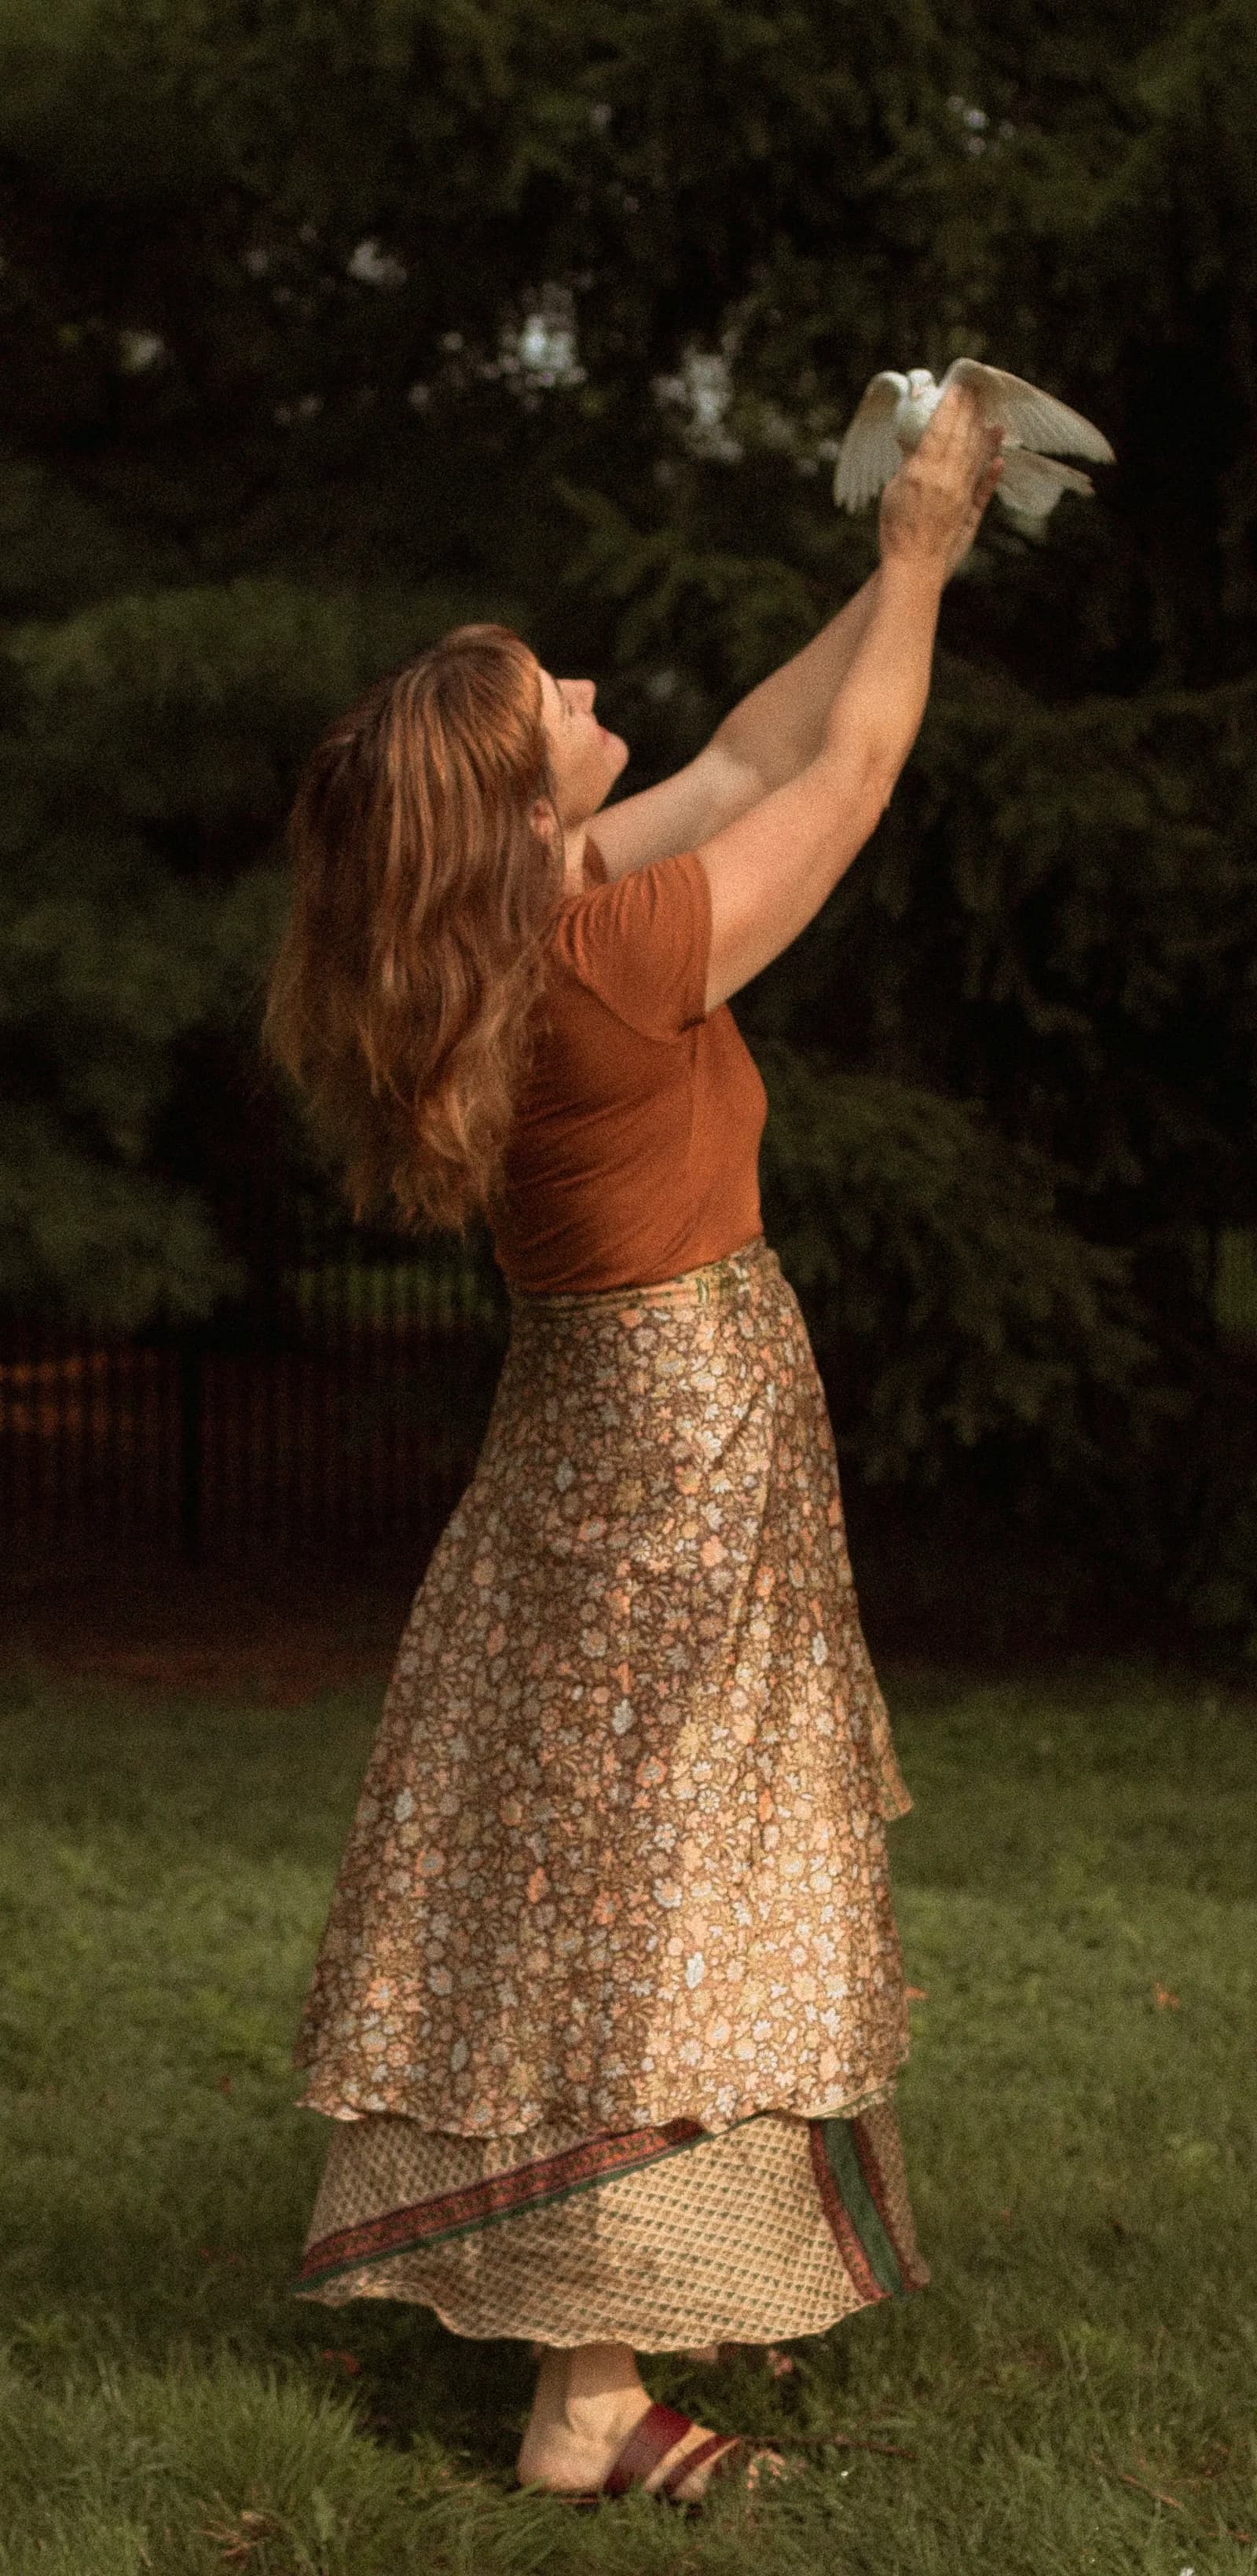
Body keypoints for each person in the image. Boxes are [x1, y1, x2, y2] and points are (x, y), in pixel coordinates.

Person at [261, 386, 1004, 2508]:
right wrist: (928, 573)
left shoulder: (542, 913)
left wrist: (890, 563)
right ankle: (586, 2405)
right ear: (516, 807)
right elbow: (847, 782)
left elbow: (763, 750)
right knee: (666, 1888)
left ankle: (592, 2355)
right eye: (552, 700)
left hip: (611, 1433)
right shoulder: (601, 956)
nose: (591, 691)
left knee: (604, 1879)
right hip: (671, 1444)